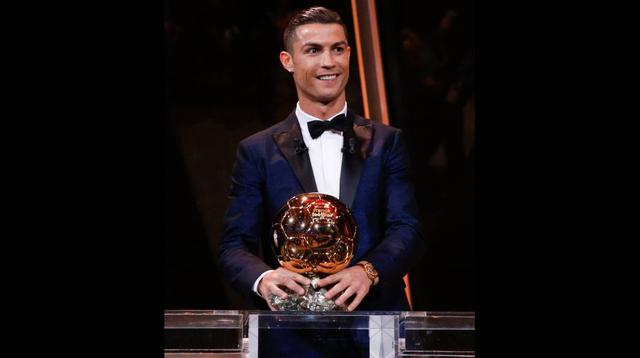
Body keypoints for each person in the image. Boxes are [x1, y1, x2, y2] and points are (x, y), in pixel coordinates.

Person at [217, 6, 424, 312]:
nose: (329, 62)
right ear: (288, 61)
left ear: (349, 55)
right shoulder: (257, 151)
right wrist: (263, 278)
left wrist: (367, 271)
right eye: (313, 50)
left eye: (337, 49)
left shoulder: (386, 142)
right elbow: (233, 246)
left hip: (375, 322)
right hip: (292, 333)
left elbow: (407, 229)